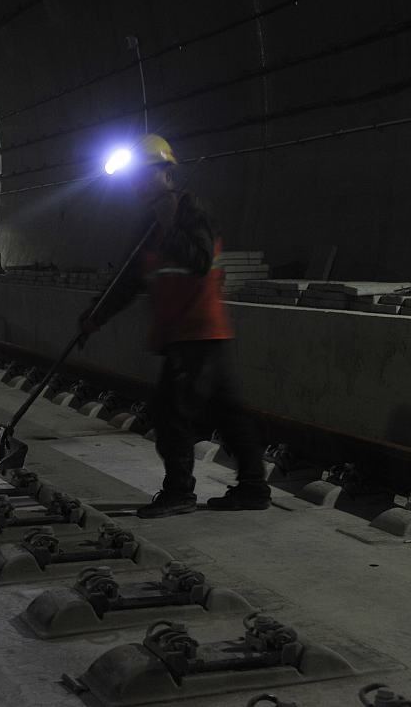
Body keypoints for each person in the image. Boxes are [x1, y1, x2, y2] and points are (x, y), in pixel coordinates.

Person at [80, 134, 271, 517]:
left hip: (196, 332)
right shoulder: (148, 225)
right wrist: (94, 317)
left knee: (170, 412)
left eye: (143, 175)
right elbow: (129, 281)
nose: (136, 184)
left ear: (165, 173)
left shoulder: (190, 211)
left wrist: (170, 225)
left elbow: (199, 260)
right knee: (228, 412)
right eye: (132, 179)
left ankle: (180, 492)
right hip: (193, 334)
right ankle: (253, 487)